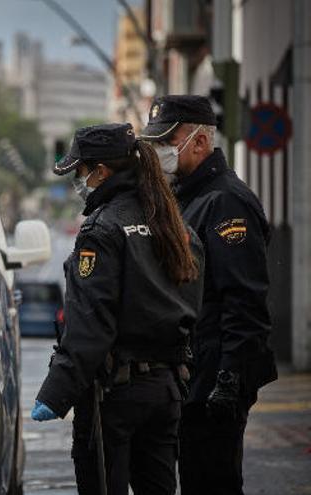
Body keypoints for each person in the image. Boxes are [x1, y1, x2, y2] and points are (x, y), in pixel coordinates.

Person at [32, 123, 205, 495]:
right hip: (167, 389)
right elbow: (192, 302)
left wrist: (55, 394)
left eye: (81, 173)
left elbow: (90, 326)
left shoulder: (102, 230)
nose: (80, 183)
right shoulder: (174, 224)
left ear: (101, 172)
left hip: (113, 396)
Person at [138, 95, 278, 495]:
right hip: (192, 375)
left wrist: (231, 378)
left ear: (199, 142)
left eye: (167, 142)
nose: (159, 152)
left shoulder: (224, 201)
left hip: (214, 380)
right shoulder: (186, 196)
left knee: (213, 483)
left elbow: (245, 300)